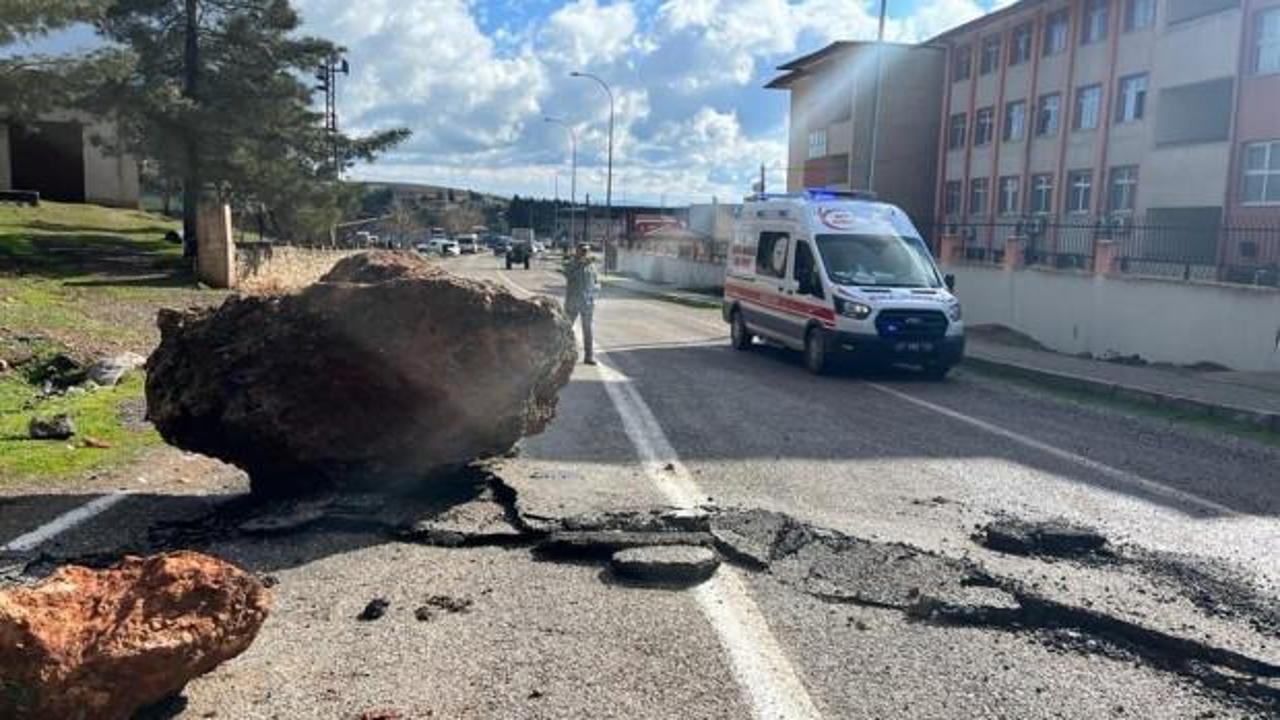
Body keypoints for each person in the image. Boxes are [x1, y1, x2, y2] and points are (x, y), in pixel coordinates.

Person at [561, 242, 598, 365]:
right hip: (572, 302)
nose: (584, 253)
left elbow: (596, 282)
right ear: (577, 251)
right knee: (565, 329)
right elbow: (568, 275)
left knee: (588, 330)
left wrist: (594, 294)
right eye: (582, 250)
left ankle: (589, 356)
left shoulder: (591, 266)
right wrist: (579, 264)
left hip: (587, 303)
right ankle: (561, 356)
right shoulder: (571, 264)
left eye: (586, 251)